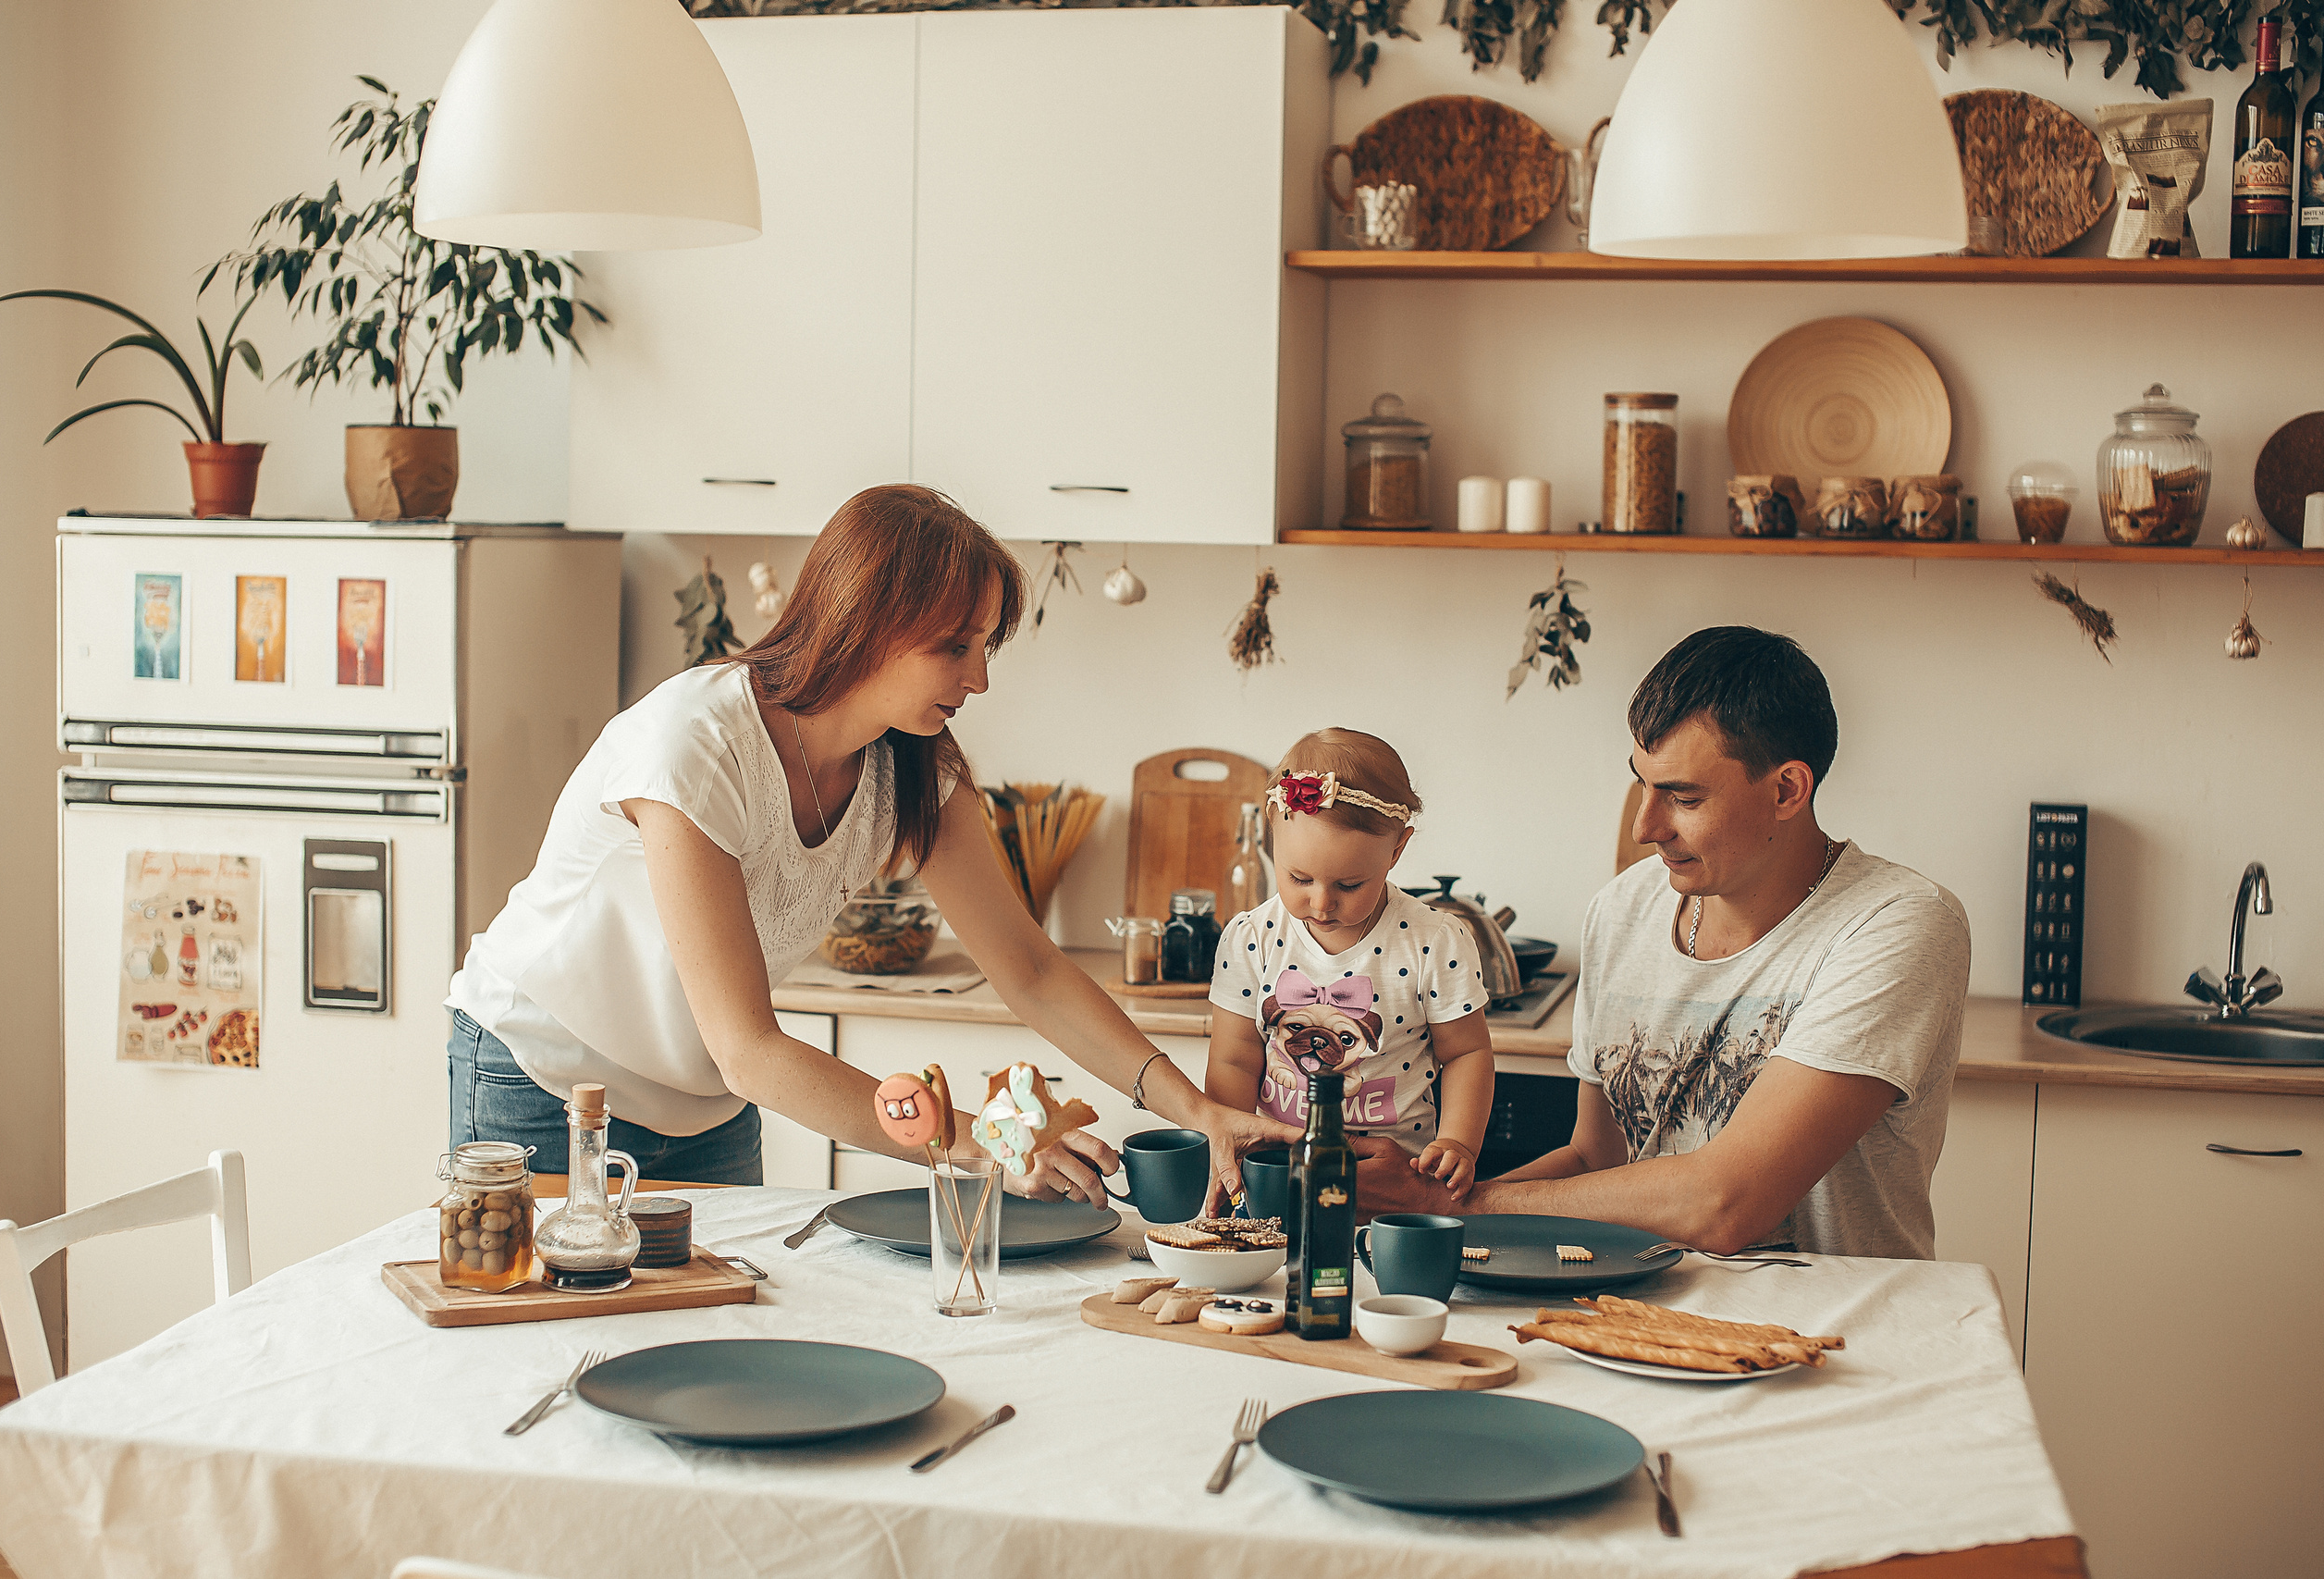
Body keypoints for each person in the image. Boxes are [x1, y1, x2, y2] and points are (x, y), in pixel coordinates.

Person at [446, 484, 1291, 1201]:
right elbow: (749, 1047)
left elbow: (1031, 971)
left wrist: (1196, 1109)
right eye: (953, 646)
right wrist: (987, 1140)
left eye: (984, 645)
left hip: (703, 1110)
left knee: (715, 1359)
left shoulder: (913, 771)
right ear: (869, 621)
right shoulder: (694, 743)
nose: (980, 677)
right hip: (545, 1081)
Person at [1356, 627, 1970, 1258]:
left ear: (1787, 789)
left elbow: (1728, 1201)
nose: (1644, 826)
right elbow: (1597, 1159)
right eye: (1642, 784)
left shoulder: (1899, 925)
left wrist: (1443, 1204)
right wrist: (1432, 1214)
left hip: (1834, 1337)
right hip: (1634, 1312)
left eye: (1683, 796)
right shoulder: (1623, 910)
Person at [1205, 730, 1494, 1203]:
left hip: (1392, 1181)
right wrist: (1228, 1146)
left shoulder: (1435, 942)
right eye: (1298, 877)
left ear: (1396, 851)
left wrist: (1459, 1141)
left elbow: (1466, 1054)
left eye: (1349, 884)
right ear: (1271, 831)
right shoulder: (1250, 938)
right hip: (1278, 1170)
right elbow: (1234, 1057)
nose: (1320, 902)